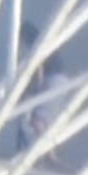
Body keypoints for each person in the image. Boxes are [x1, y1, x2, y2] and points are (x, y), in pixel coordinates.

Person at [15, 21, 68, 164]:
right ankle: (50, 153)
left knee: (37, 119)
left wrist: (34, 90)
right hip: (62, 80)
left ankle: (45, 153)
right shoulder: (47, 44)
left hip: (52, 81)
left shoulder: (37, 48)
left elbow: (38, 70)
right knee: (47, 120)